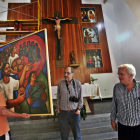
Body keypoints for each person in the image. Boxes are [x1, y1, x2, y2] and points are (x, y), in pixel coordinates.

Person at [110, 64, 140, 140]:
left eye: (121, 74)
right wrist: (112, 119)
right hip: (123, 126)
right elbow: (114, 104)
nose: (119, 77)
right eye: (119, 74)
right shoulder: (117, 87)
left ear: (131, 75)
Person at [57, 66, 83, 140]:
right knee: (64, 136)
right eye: (64, 73)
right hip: (63, 113)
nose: (65, 74)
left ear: (72, 74)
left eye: (68, 73)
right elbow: (58, 97)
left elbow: (80, 97)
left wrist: (79, 109)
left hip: (74, 113)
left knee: (77, 136)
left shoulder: (77, 83)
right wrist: (58, 108)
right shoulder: (60, 84)